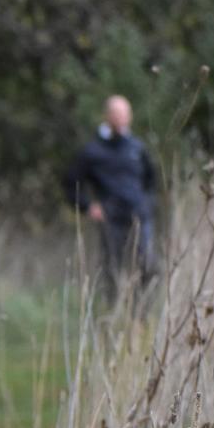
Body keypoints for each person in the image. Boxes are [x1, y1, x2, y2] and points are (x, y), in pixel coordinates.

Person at [65, 95, 159, 297]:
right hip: (111, 219)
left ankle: (140, 316)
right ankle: (115, 315)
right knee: (114, 270)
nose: (121, 118)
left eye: (125, 113)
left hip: (140, 216)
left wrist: (148, 203)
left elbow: (151, 179)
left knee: (148, 266)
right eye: (116, 113)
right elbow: (70, 184)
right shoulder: (92, 151)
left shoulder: (137, 147)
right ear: (107, 116)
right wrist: (88, 206)